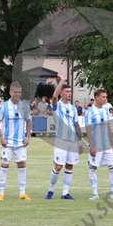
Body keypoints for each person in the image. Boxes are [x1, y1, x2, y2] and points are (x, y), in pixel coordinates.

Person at [45, 72, 83, 200]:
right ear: (62, 93)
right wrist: (61, 81)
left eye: (70, 91)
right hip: (61, 139)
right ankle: (50, 190)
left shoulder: (73, 108)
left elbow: (76, 125)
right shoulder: (57, 106)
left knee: (69, 165)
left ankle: (65, 193)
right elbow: (54, 97)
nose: (70, 93)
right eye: (67, 91)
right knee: (58, 166)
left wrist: (80, 142)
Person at [0, 82, 32, 200]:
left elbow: (29, 122)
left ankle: (22, 193)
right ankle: (1, 193)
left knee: (22, 166)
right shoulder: (4, 106)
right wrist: (1, 137)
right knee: (4, 166)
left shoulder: (25, 106)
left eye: (19, 92)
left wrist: (27, 136)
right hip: (7, 143)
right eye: (15, 92)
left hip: (21, 143)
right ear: (10, 92)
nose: (17, 94)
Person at [85, 88, 113, 200]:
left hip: (107, 145)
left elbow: (108, 127)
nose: (106, 99)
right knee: (93, 168)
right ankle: (95, 193)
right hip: (96, 145)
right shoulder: (89, 112)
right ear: (97, 98)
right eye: (103, 97)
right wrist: (91, 146)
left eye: (106, 97)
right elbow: (88, 131)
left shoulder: (105, 110)